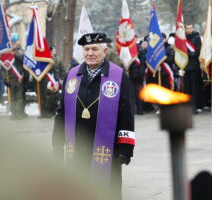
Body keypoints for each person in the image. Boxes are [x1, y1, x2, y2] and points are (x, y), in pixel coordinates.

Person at [52, 32, 135, 199]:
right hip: (77, 145)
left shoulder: (119, 76)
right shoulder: (72, 75)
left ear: (104, 51)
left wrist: (126, 148)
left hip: (107, 148)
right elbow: (61, 112)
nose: (90, 53)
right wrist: (57, 142)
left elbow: (127, 113)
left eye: (95, 49)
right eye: (86, 49)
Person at [3, 37, 28, 120]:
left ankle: (18, 113)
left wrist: (14, 51)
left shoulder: (19, 51)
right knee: (13, 97)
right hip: (10, 78)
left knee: (19, 97)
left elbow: (22, 58)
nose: (18, 42)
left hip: (19, 78)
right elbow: (3, 66)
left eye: (18, 40)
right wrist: (4, 79)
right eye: (16, 41)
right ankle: (13, 113)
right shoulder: (7, 53)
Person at [39, 45, 65, 118]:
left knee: (53, 96)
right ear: (50, 51)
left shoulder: (57, 59)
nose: (55, 51)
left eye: (55, 50)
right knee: (46, 97)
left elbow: (60, 70)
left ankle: (52, 111)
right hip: (45, 80)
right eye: (53, 50)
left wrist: (60, 79)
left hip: (54, 80)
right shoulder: (46, 58)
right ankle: (45, 112)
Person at [183, 24, 203, 113]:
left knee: (195, 87)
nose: (189, 30)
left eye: (190, 28)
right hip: (185, 66)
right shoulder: (182, 38)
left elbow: (197, 52)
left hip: (194, 66)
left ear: (193, 28)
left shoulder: (197, 38)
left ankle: (195, 106)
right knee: (187, 88)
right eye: (187, 28)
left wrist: (188, 54)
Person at [129, 38, 147, 115]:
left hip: (138, 76)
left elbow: (143, 64)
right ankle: (134, 110)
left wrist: (141, 74)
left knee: (139, 94)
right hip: (131, 76)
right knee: (132, 94)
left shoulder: (140, 51)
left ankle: (140, 110)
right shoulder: (127, 51)